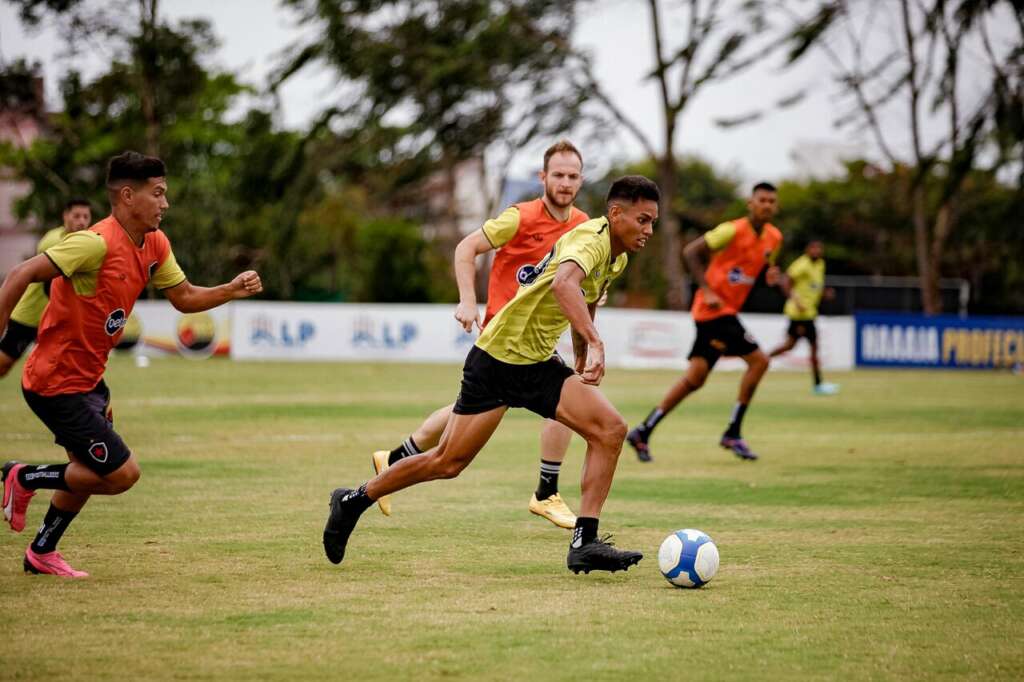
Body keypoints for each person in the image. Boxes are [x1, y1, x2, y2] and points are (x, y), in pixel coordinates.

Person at [323, 175, 660, 574]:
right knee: (447, 462)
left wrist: (585, 355)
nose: (649, 231)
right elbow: (565, 287)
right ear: (615, 213)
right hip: (498, 359)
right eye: (642, 220)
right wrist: (597, 343)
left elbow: (582, 303)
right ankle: (352, 500)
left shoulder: (616, 258)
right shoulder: (591, 239)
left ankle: (584, 542)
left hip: (536, 363)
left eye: (653, 222)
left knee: (610, 430)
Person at [0, 151, 263, 578]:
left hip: (88, 381)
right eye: (157, 194)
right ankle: (23, 477)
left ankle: (41, 551)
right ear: (127, 196)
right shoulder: (93, 242)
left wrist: (230, 289)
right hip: (54, 382)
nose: (165, 203)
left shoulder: (155, 243)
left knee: (84, 470)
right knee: (121, 474)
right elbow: (18, 276)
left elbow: (184, 298)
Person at [371, 140, 589, 530]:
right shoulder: (519, 217)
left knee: (468, 410)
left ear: (581, 180)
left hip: (536, 337)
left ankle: (395, 458)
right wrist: (468, 301)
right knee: (566, 398)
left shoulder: (584, 226)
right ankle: (546, 492)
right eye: (558, 174)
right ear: (543, 177)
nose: (565, 182)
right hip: (504, 335)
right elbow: (466, 247)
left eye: (573, 176)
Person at [626, 182, 783, 463]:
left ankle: (643, 430)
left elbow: (762, 266)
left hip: (725, 312)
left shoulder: (774, 237)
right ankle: (733, 432)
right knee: (760, 361)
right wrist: (707, 289)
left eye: (772, 201)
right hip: (713, 311)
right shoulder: (731, 230)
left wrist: (770, 277)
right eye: (762, 200)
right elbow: (690, 252)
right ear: (751, 203)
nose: (767, 205)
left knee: (695, 378)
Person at [0, 198, 93, 378]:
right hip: (29, 316)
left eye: (86, 216)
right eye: (76, 216)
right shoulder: (53, 242)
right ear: (65, 216)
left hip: (54, 320)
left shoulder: (87, 242)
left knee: (62, 370)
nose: (81, 221)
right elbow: (50, 288)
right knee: (4, 365)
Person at [768, 238, 839, 395]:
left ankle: (762, 360)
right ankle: (818, 384)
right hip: (800, 314)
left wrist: (824, 293)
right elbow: (785, 281)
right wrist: (795, 300)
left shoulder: (820, 264)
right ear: (807, 250)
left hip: (809, 313)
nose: (817, 251)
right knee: (809, 347)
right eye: (814, 248)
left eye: (819, 249)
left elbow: (815, 286)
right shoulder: (802, 264)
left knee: (791, 345)